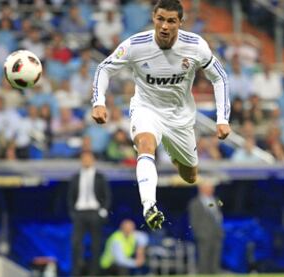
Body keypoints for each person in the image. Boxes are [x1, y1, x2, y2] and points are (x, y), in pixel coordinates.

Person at [91, 0, 231, 230]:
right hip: (147, 109)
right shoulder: (136, 45)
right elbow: (104, 68)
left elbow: (220, 77)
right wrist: (99, 102)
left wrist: (223, 118)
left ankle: (175, 154)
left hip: (180, 117)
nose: (165, 26)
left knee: (190, 176)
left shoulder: (195, 46)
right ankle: (149, 206)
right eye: (160, 19)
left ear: (180, 22)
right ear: (153, 19)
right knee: (146, 144)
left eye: (171, 21)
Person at [67, 151, 111, 276]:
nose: (86, 161)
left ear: (93, 160)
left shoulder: (100, 176)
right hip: (80, 213)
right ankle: (76, 273)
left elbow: (106, 195)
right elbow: (70, 197)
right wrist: (73, 212)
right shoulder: (75, 177)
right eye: (83, 158)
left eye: (88, 158)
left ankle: (94, 273)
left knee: (95, 246)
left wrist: (103, 211)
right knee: (76, 244)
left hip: (94, 212)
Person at [188, 181, 223, 274]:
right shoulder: (195, 203)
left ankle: (215, 273)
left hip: (216, 234)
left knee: (215, 258)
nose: (212, 189)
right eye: (209, 187)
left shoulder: (216, 200)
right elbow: (194, 220)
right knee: (204, 258)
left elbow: (218, 216)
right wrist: (199, 233)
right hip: (204, 236)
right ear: (202, 189)